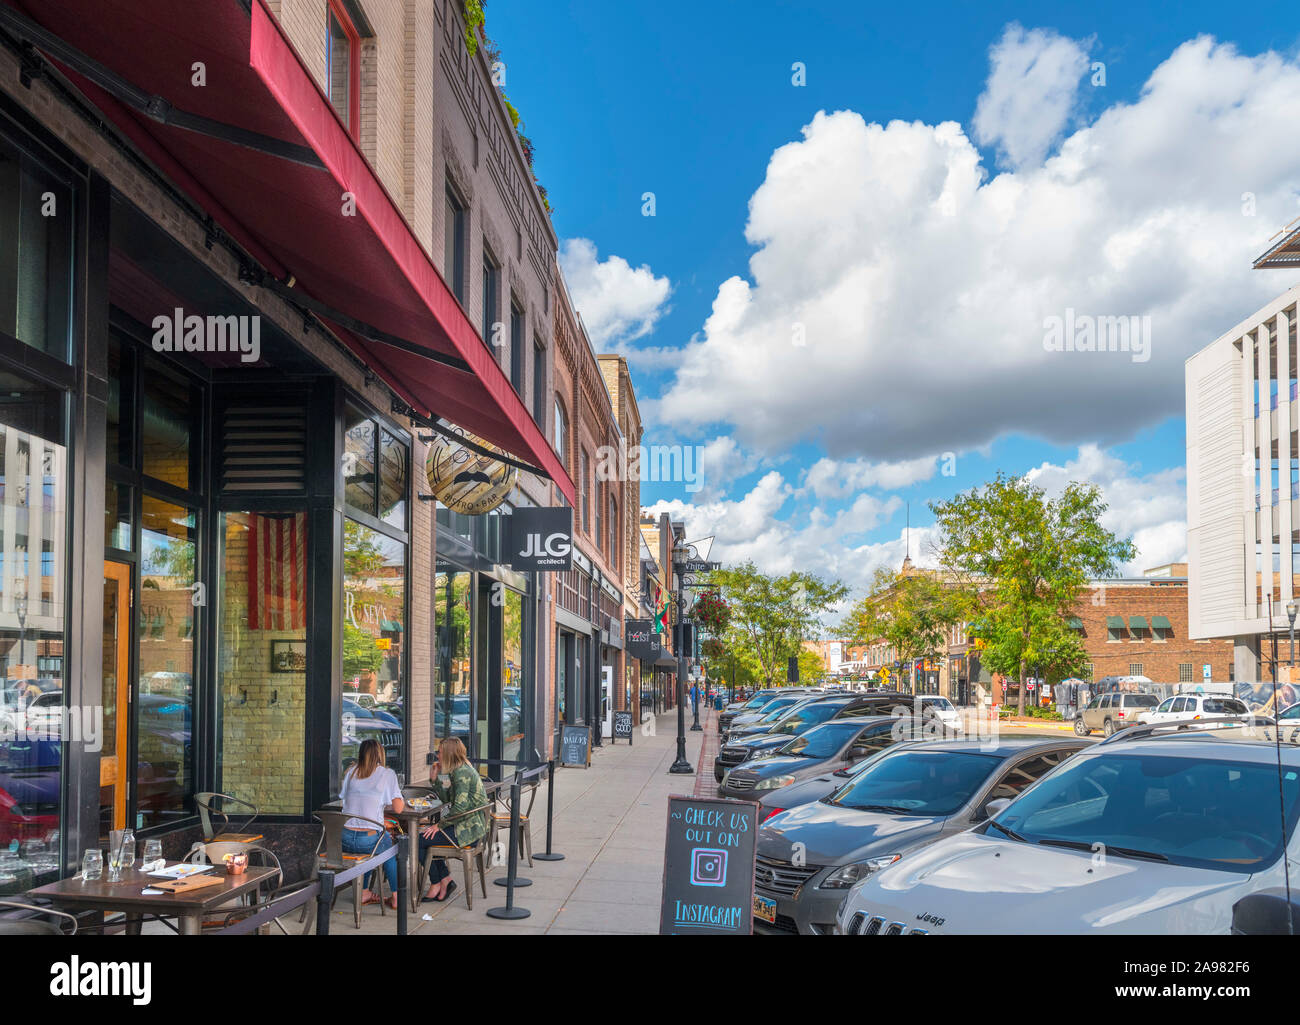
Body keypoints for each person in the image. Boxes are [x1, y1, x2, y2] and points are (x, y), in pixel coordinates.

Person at [419, 736, 489, 903]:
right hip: (465, 827)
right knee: (425, 838)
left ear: (449, 754)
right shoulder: (457, 770)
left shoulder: (462, 773)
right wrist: (435, 779)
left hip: (468, 832)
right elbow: (447, 800)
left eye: (440, 752)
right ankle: (445, 881)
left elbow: (459, 808)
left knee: (419, 841)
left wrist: (439, 825)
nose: (437, 756)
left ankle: (437, 882)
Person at [339, 739, 403, 910]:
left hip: (343, 838)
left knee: (373, 846)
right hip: (368, 840)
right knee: (389, 849)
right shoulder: (387, 774)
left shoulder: (350, 772)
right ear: (380, 754)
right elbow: (398, 808)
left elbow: (346, 801)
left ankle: (365, 892)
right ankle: (397, 897)